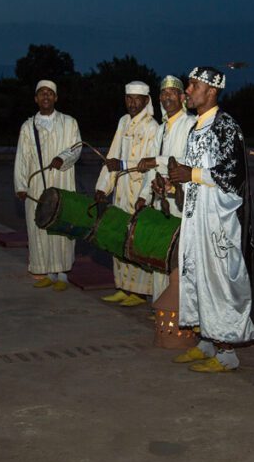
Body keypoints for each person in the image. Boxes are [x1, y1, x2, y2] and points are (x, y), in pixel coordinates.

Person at [165, 66, 254, 372]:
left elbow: (233, 174)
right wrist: (175, 181)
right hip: (196, 216)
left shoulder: (225, 126)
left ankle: (226, 352)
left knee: (219, 279)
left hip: (219, 220)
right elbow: (193, 170)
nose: (188, 92)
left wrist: (190, 174)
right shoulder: (196, 127)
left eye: (193, 86)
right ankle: (206, 341)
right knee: (196, 275)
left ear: (211, 91)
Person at [95, 81, 160, 307]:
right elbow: (113, 155)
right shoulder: (123, 122)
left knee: (137, 239)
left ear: (146, 101)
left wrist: (122, 165)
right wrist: (103, 187)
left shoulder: (153, 127)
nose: (132, 103)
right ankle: (123, 287)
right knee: (119, 236)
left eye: (137, 99)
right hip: (121, 191)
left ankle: (140, 292)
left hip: (140, 190)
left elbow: (150, 165)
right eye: (128, 99)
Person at [13, 80, 82, 291]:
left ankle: (62, 275)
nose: (45, 97)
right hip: (36, 186)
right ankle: (47, 272)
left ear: (56, 98)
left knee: (61, 224)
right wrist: (21, 186)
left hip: (62, 182)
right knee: (39, 227)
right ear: (36, 98)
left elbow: (77, 147)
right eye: (42, 93)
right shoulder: (28, 126)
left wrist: (63, 158)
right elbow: (21, 158)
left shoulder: (69, 123)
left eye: (50, 93)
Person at [135, 75, 197, 301]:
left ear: (182, 97)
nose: (166, 96)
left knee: (180, 256)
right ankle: (162, 304)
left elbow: (188, 161)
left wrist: (157, 161)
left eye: (172, 92)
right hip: (160, 201)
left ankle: (181, 309)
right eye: (163, 93)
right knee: (160, 251)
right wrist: (143, 195)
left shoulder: (191, 125)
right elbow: (151, 168)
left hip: (181, 203)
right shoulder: (161, 130)